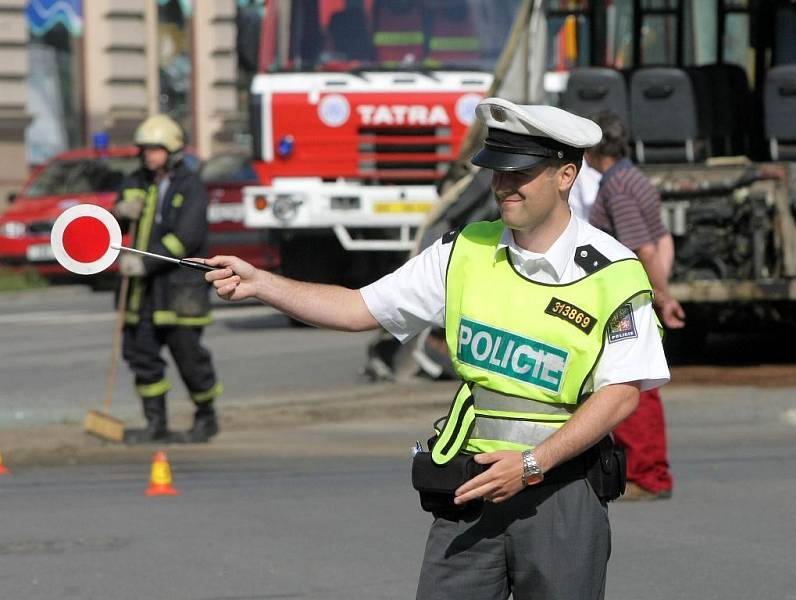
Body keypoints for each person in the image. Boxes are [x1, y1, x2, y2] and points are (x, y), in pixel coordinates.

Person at [203, 98, 669, 599]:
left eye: (521, 173)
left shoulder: (611, 273)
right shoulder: (462, 252)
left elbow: (621, 392)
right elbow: (359, 309)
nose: (503, 186)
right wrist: (263, 284)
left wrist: (532, 464)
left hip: (560, 493)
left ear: (565, 175)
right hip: (470, 488)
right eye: (496, 172)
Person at [585, 111, 683, 501]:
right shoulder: (633, 177)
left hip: (625, 297)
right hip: (636, 292)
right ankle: (646, 472)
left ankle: (647, 475)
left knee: (630, 385)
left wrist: (662, 296)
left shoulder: (617, 188)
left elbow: (641, 246)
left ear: (595, 151)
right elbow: (661, 240)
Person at [112, 114, 222, 445]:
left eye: (156, 149)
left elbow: (186, 238)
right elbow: (112, 231)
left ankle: (206, 417)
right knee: (141, 354)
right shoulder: (133, 183)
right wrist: (119, 212)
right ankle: (154, 422)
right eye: (145, 149)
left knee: (190, 357)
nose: (149, 155)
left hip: (178, 289)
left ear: (172, 151)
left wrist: (144, 263)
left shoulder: (191, 188)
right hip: (140, 292)